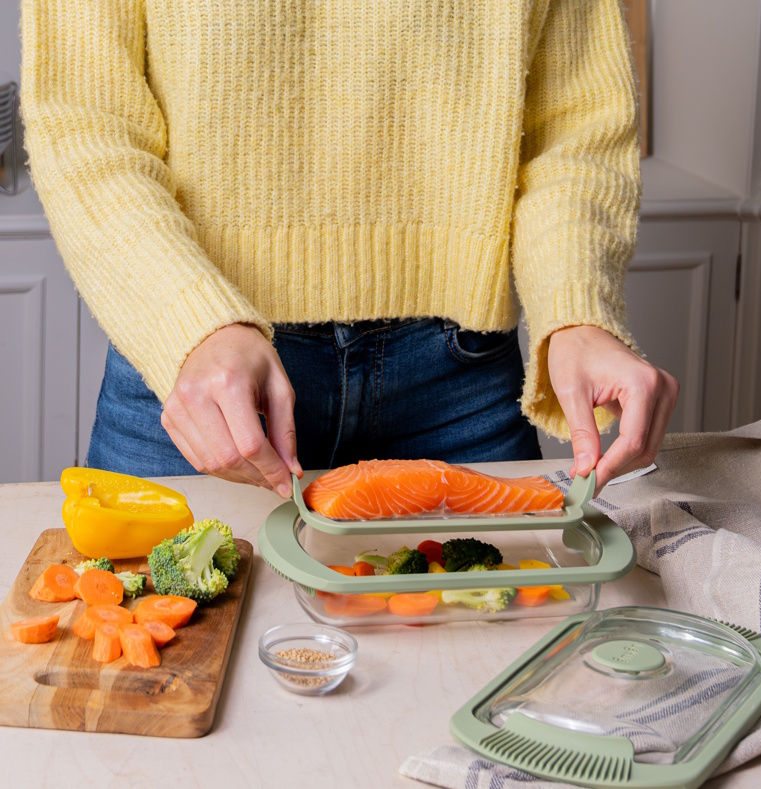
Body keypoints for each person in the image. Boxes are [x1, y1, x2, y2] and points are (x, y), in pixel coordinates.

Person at [21, 0, 678, 497]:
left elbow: (574, 125)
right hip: (200, 372)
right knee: (154, 671)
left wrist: (577, 309)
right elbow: (84, 121)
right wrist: (191, 325)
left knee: (492, 674)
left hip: (460, 383)